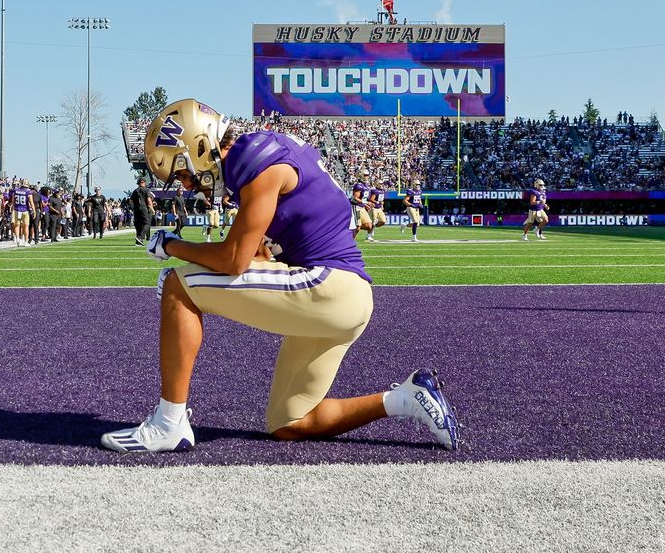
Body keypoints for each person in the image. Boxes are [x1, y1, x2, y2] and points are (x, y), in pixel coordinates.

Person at [100, 98, 458, 454]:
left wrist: (172, 246)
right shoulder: (257, 158)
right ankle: (406, 399)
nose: (187, 185)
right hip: (345, 297)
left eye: (181, 172)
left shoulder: (253, 157)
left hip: (329, 286)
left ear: (198, 147)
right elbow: (260, 254)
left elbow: (235, 260)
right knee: (289, 422)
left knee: (180, 286)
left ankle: (169, 423)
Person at [131, 177, 156, 246]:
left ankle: (138, 241)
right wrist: (151, 208)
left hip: (136, 209)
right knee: (147, 223)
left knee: (138, 225)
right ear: (144, 182)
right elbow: (148, 199)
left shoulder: (135, 191)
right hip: (144, 208)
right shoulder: (147, 190)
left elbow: (131, 201)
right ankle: (140, 237)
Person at [350, 169, 374, 239]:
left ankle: (350, 227)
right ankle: (350, 241)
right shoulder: (358, 185)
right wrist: (366, 203)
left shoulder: (366, 186)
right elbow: (355, 198)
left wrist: (366, 204)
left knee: (369, 226)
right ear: (361, 175)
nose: (367, 177)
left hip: (362, 207)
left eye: (368, 175)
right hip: (356, 206)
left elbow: (364, 199)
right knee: (357, 227)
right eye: (366, 175)